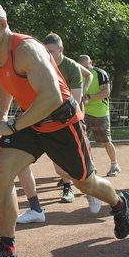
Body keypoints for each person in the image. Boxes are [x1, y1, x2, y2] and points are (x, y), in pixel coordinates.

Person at [0, 1, 129, 257]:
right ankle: (7, 253)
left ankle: (120, 202)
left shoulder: (27, 50)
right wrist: (4, 118)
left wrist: (13, 125)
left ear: (3, 25)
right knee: (0, 172)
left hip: (61, 121)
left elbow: (53, 97)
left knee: (84, 183)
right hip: (32, 120)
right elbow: (6, 85)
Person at [42, 33, 93, 204]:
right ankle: (71, 184)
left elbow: (75, 100)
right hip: (49, 118)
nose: (48, 55)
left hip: (72, 117)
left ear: (61, 50)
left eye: (51, 51)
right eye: (45, 51)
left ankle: (88, 186)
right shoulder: (42, 66)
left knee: (80, 160)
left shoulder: (72, 67)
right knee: (60, 164)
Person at [77, 54, 121, 178]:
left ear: (91, 63)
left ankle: (114, 164)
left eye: (87, 66)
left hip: (100, 112)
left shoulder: (100, 73)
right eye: (82, 67)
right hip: (83, 112)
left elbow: (106, 92)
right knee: (82, 140)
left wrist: (89, 97)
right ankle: (89, 166)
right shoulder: (76, 73)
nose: (85, 69)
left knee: (106, 141)